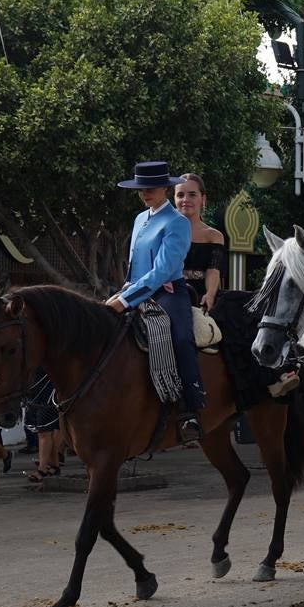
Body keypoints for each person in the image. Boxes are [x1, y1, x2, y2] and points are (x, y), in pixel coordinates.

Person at [107, 160, 203, 441]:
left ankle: (190, 407)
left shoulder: (177, 223)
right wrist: (122, 293)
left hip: (167, 292)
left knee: (182, 338)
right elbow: (134, 264)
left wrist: (125, 300)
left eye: (150, 188)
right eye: (141, 189)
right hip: (133, 290)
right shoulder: (139, 218)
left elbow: (161, 271)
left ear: (164, 188)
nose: (145, 193)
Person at [175, 172, 227, 311]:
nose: (185, 199)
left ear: (203, 198)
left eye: (192, 194)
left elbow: (213, 271)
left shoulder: (214, 236)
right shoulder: (163, 232)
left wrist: (209, 295)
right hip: (169, 295)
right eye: (180, 195)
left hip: (200, 299)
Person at [25, 368, 64, 483]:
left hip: (46, 395)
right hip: (38, 393)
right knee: (45, 431)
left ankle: (42, 469)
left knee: (45, 432)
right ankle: (54, 465)